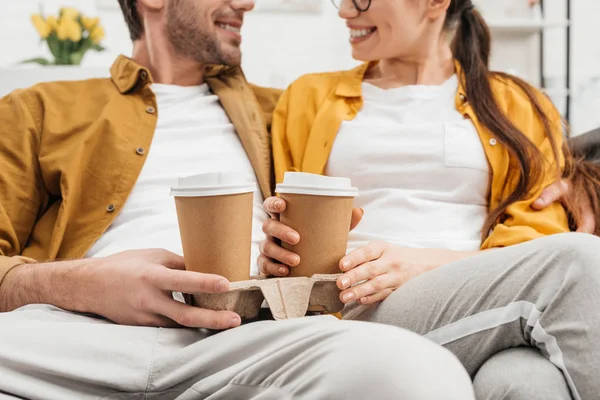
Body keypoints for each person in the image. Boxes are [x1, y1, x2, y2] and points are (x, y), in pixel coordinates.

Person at [0, 0, 478, 398]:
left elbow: (413, 154)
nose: (247, 2)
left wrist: (554, 171)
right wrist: (79, 285)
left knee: (420, 376)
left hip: (244, 340)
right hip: (74, 337)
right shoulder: (38, 109)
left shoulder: (291, 110)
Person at [259, 0, 600, 399]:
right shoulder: (308, 97)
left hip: (490, 305)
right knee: (579, 260)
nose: (346, 12)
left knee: (523, 382)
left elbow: (535, 238)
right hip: (356, 303)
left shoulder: (515, 103)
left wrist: (420, 265)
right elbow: (289, 219)